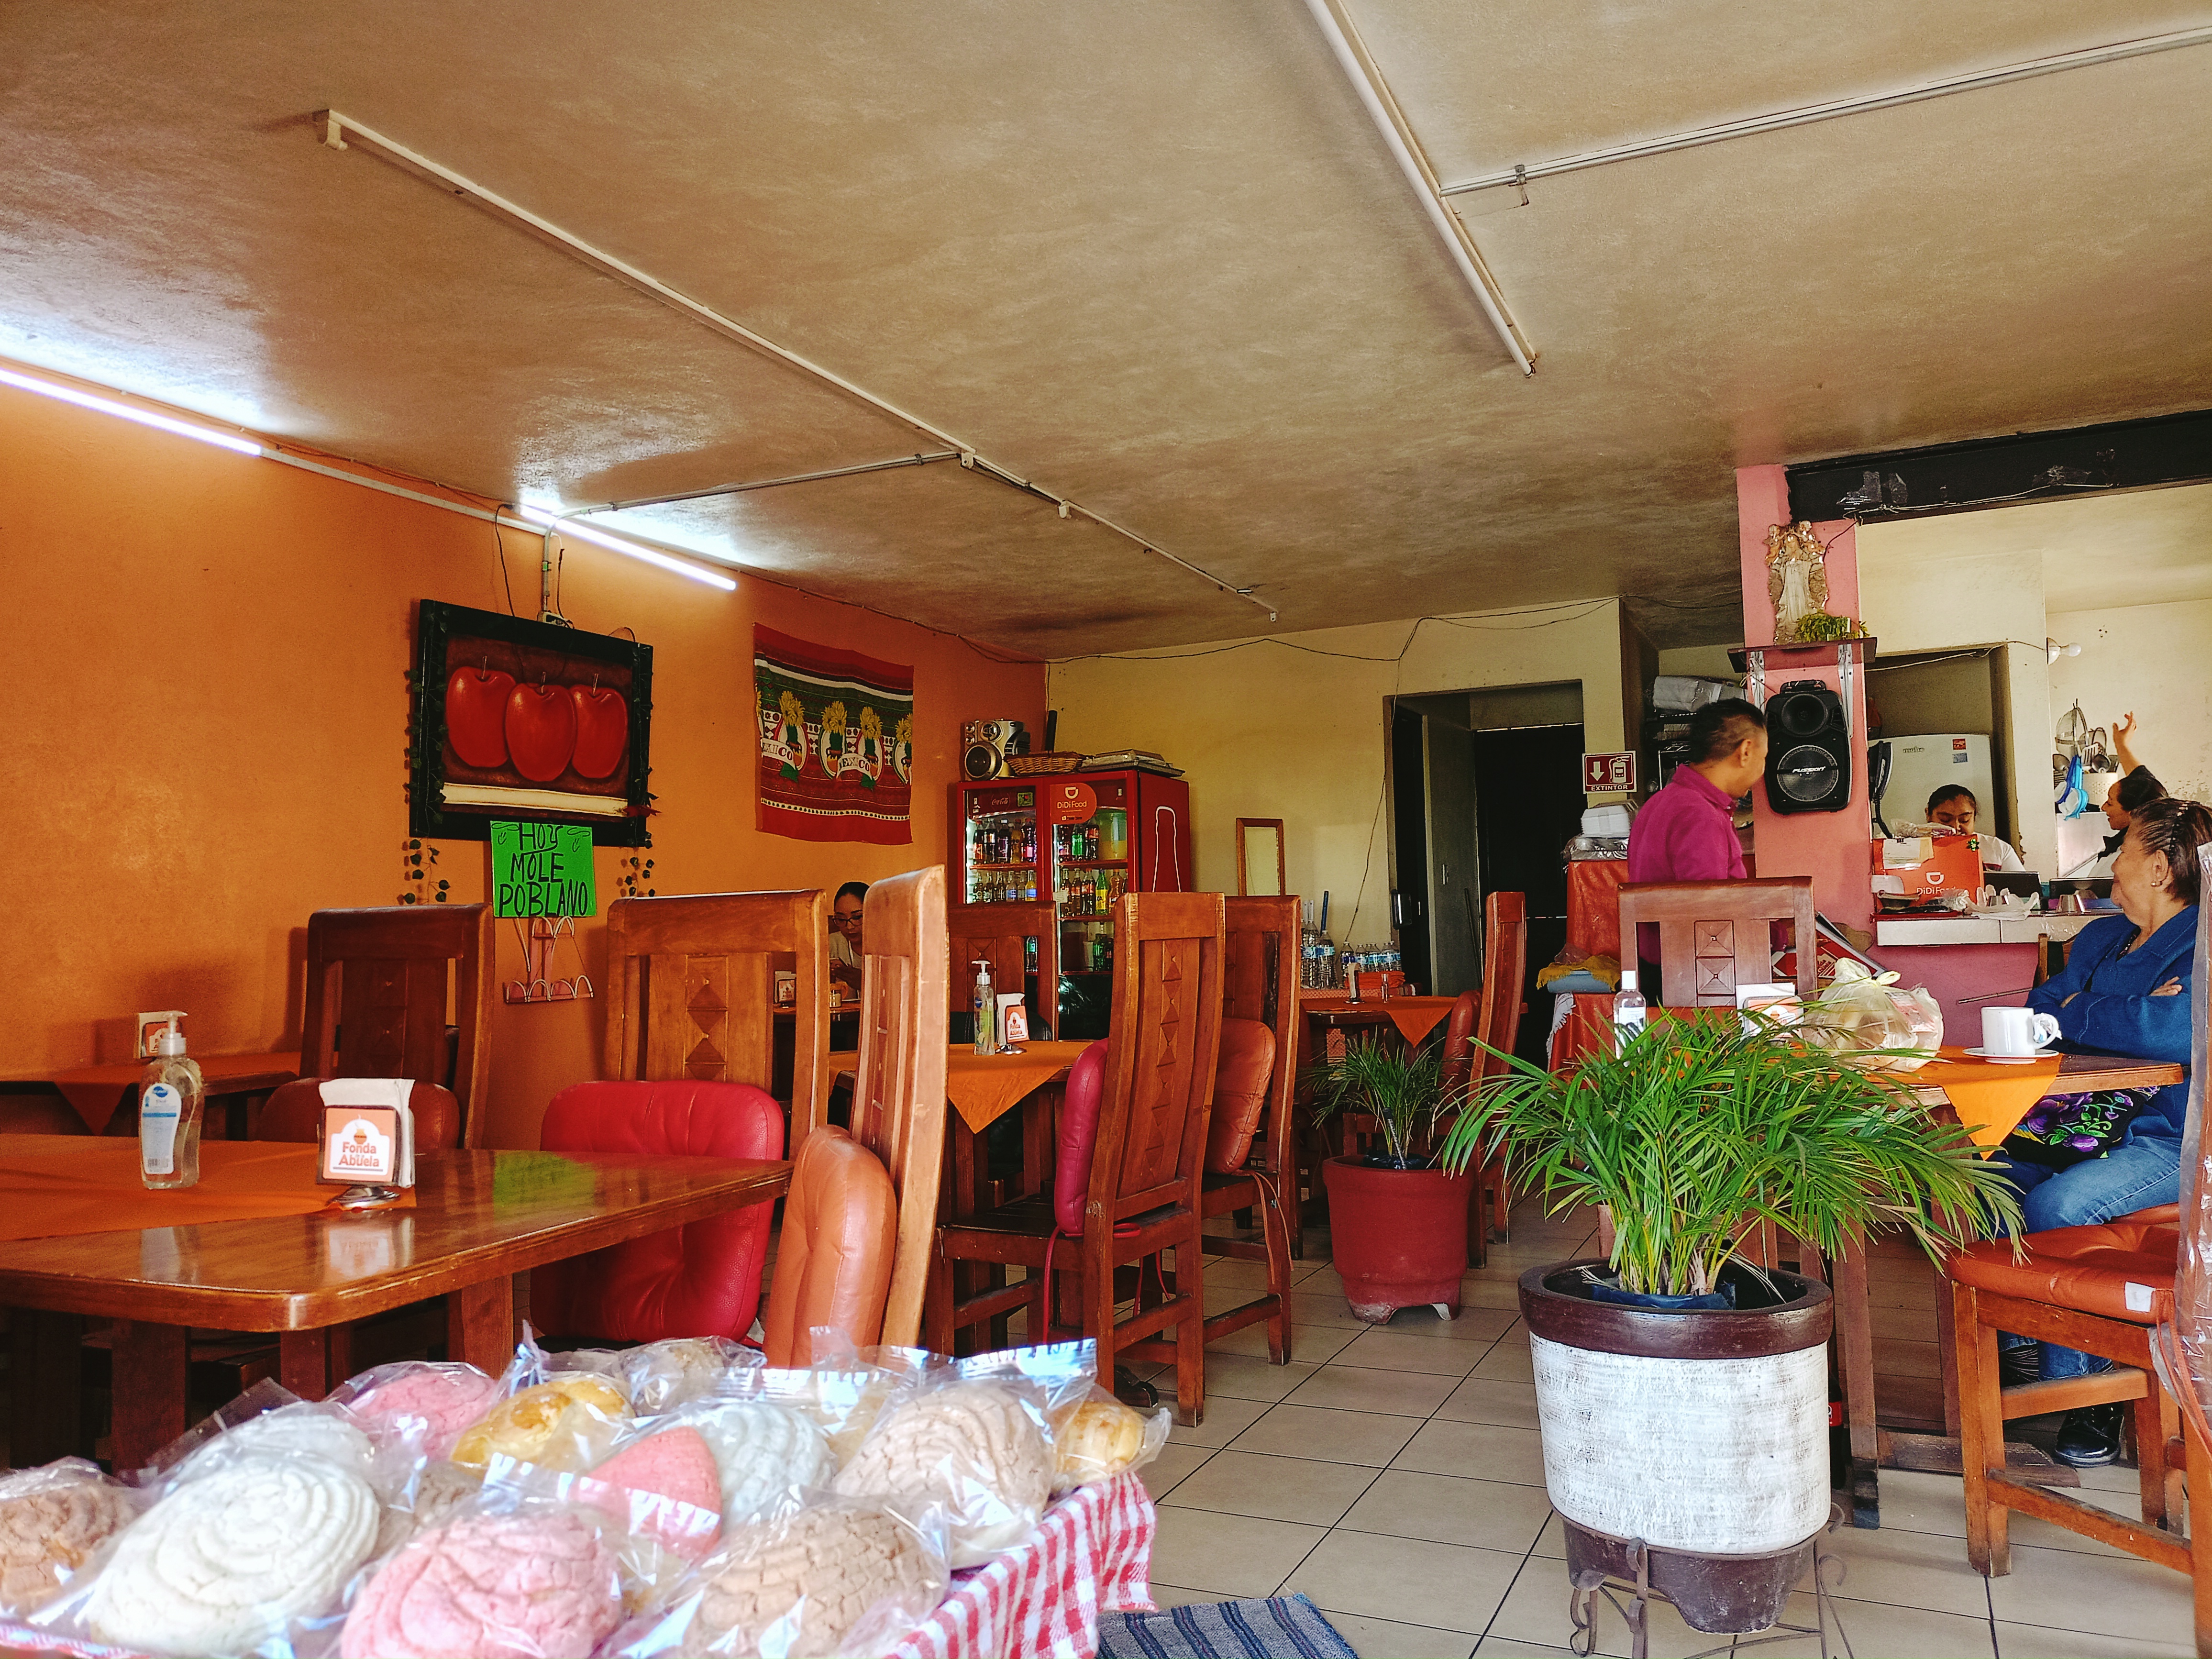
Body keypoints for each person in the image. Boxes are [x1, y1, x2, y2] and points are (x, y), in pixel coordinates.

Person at [1991, 794, 2211, 1465]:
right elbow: (2040, 1011)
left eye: (2125, 847)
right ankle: (2018, 1344)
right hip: (2077, 1123)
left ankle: (2089, 1394)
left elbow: (2172, 1031)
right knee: (1981, 1180)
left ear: (2161, 866)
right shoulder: (2101, 936)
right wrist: (2117, 1011)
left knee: (2061, 1206)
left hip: (2163, 1136)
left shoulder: (2203, 937)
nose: (2112, 862)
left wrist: (2085, 1008)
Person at [1625, 698, 1767, 986]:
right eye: (1764, 757)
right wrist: (1778, 935)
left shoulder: (1660, 803)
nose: (1761, 772)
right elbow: (1708, 915)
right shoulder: (1699, 813)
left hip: (1662, 970)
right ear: (1746, 751)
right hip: (1690, 979)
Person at [1924, 784, 2025, 871]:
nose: (1955, 828)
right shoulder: (1914, 847)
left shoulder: (1998, 849)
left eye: (1965, 820)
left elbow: (2025, 890)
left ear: (1974, 817)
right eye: (1945, 820)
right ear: (1928, 815)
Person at [827, 881, 867, 990]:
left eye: (857, 917)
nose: (849, 927)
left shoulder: (890, 948)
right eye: (841, 919)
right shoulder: (829, 945)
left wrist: (865, 983)